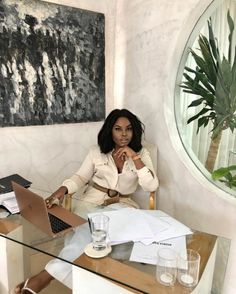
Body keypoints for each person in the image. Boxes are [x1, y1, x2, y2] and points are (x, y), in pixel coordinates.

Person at [13, 108, 159, 293]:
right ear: (110, 131)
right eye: (118, 129)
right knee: (89, 235)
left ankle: (43, 278)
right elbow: (80, 178)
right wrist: (60, 192)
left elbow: (151, 186)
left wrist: (134, 157)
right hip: (92, 202)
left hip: (122, 207)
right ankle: (89, 285)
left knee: (87, 237)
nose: (124, 134)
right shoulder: (96, 152)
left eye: (128, 129)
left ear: (134, 131)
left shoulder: (141, 153)